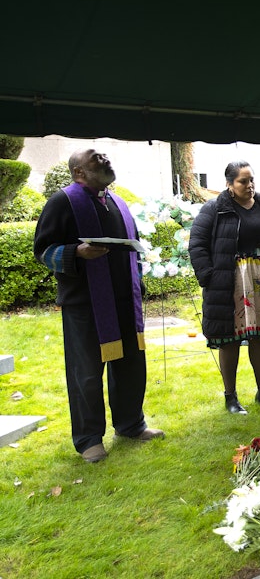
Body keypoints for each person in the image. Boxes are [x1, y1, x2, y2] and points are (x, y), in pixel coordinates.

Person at [33, 149, 164, 463]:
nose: (105, 159)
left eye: (105, 156)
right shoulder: (62, 202)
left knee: (131, 365)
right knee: (87, 374)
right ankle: (89, 439)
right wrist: (76, 252)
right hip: (86, 305)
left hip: (124, 300)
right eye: (96, 158)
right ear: (79, 172)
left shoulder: (118, 202)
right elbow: (43, 250)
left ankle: (131, 424)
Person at [188, 161, 260, 414]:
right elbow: (197, 245)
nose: (250, 186)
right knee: (229, 339)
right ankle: (231, 398)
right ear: (229, 184)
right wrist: (209, 277)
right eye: (243, 181)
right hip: (230, 282)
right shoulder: (214, 209)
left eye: (251, 180)